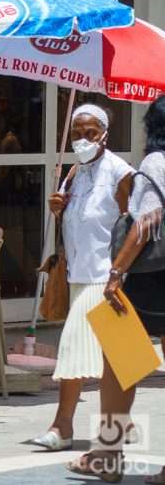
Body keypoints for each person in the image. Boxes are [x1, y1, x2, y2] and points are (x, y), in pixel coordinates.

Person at [67, 96, 165, 483]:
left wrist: (116, 272)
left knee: (119, 364)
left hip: (150, 281)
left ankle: (108, 455)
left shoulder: (156, 161)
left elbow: (147, 220)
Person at [30, 104, 134, 452]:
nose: (83, 139)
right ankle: (117, 431)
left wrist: (119, 272)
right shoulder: (73, 173)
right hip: (78, 275)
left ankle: (63, 427)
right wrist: (59, 209)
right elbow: (78, 226)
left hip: (107, 278)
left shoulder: (122, 173)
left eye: (90, 132)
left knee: (74, 346)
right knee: (118, 359)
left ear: (105, 134)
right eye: (76, 132)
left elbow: (134, 228)